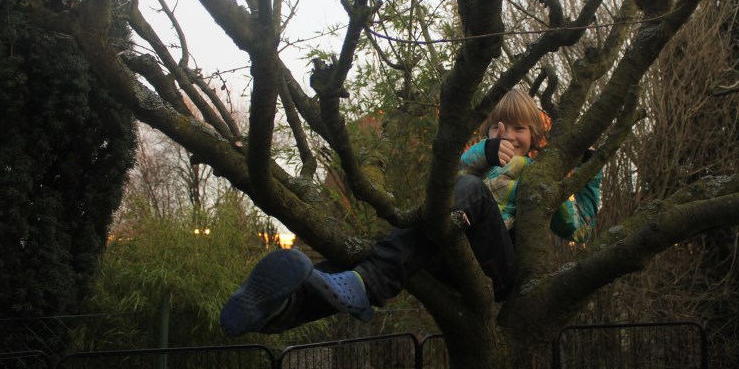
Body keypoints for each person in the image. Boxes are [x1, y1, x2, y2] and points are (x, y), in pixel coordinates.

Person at [220, 88, 602, 336]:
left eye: (521, 129)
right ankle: (281, 309)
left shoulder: (537, 177)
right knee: (385, 251)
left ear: (535, 136)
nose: (512, 136)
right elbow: (446, 189)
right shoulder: (479, 160)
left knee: (458, 198)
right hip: (451, 255)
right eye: (502, 128)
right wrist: (485, 154)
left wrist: (589, 175)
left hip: (498, 270)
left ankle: (365, 283)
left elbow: (575, 229)